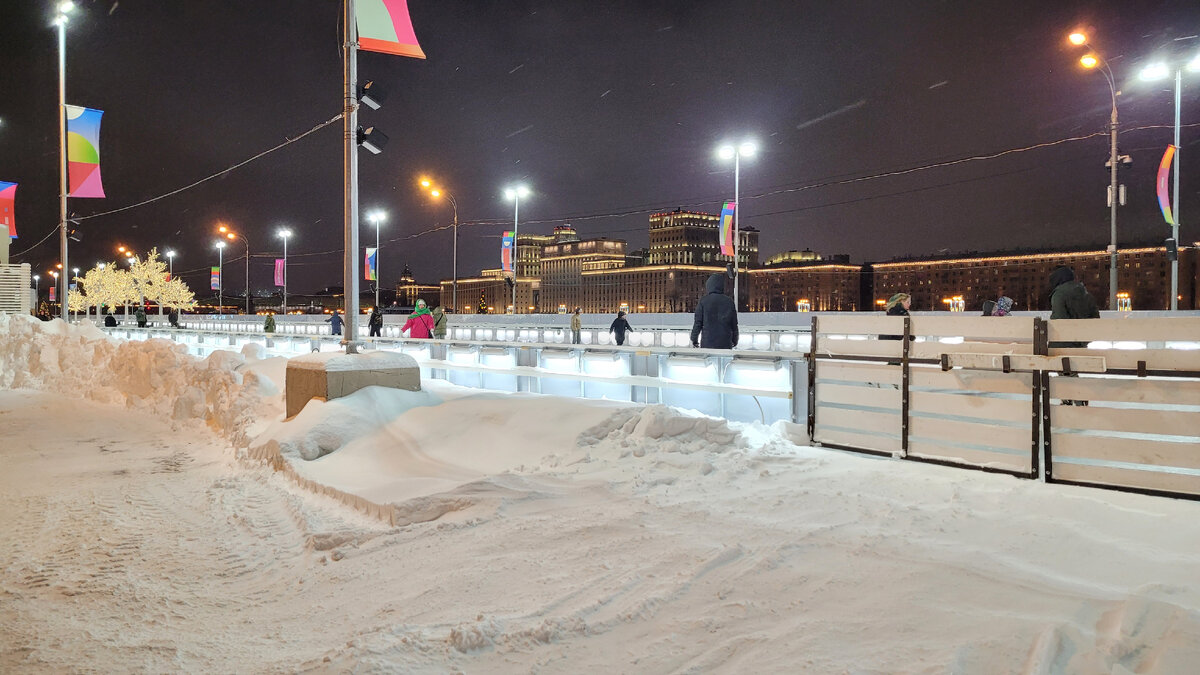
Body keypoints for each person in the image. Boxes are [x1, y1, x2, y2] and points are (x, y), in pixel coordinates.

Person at [1048, 266, 1100, 406]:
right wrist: (1084, 339)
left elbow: (1060, 320)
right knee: (1069, 368)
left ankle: (1075, 397)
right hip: (1080, 340)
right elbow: (1095, 317)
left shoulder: (1059, 294)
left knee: (1064, 369)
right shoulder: (1086, 294)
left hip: (1062, 341)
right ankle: (1071, 396)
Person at [690, 273, 738, 349]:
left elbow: (698, 323)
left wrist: (694, 339)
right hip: (725, 343)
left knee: (708, 360)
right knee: (725, 360)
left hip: (708, 342)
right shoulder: (729, 301)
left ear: (708, 286)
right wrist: (735, 340)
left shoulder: (703, 301)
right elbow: (734, 325)